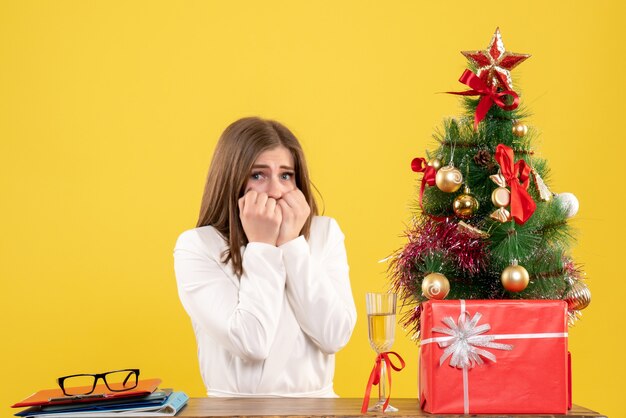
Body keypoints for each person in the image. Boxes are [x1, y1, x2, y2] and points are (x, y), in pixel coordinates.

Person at [174, 117, 357, 397]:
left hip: (319, 410)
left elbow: (334, 335)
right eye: (258, 175)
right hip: (234, 413)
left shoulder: (324, 233)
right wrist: (262, 246)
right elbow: (251, 342)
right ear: (232, 180)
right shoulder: (197, 246)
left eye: (286, 175)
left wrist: (292, 245)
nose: (275, 191)